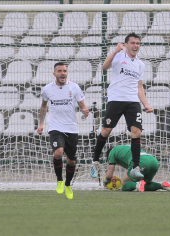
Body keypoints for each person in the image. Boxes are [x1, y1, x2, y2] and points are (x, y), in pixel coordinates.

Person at [90, 33, 153, 180]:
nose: (135, 45)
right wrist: (114, 51)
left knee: (136, 132)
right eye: (132, 43)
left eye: (137, 43)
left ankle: (135, 167)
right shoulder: (118, 57)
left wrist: (146, 104)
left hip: (132, 102)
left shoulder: (140, 64)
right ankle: (95, 162)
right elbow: (105, 67)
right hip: (116, 99)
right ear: (126, 45)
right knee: (106, 131)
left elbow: (139, 86)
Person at [37, 62, 89, 199]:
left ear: (67, 73)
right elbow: (43, 106)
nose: (62, 73)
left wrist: (84, 110)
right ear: (54, 74)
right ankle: (59, 180)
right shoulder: (47, 89)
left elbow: (82, 105)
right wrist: (41, 124)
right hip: (55, 127)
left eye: (64, 71)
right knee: (58, 153)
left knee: (71, 161)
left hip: (71, 128)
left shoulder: (74, 87)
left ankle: (68, 184)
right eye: (59, 71)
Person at [103, 145, 170, 192]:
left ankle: (137, 185)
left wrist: (105, 181)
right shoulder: (123, 149)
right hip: (153, 161)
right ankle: (162, 185)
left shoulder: (112, 152)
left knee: (125, 185)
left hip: (141, 161)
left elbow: (109, 175)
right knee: (145, 185)